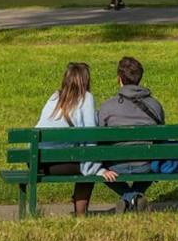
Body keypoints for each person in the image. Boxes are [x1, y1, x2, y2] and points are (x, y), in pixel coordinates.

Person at [37, 62, 116, 216]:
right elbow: (90, 136)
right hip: (57, 162)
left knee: (85, 162)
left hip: (36, 161)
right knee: (87, 167)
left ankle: (79, 208)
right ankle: (80, 214)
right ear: (86, 81)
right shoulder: (86, 98)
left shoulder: (54, 97)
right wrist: (97, 169)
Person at [98, 55, 165, 212]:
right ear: (139, 79)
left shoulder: (107, 106)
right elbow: (162, 138)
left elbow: (99, 138)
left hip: (115, 165)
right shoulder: (155, 105)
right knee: (158, 158)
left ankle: (127, 197)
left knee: (96, 165)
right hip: (146, 165)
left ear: (118, 79)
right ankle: (135, 197)